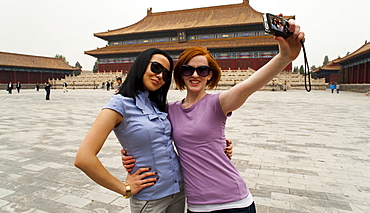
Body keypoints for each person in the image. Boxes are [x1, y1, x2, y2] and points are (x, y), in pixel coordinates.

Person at [123, 19, 304, 212]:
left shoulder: (218, 103)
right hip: (197, 206)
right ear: (181, 74)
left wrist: (284, 58)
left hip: (234, 203)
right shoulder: (170, 110)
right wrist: (132, 154)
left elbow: (248, 87)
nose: (195, 75)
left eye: (202, 70)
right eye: (188, 69)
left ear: (210, 75)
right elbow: (149, 134)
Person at [75, 48, 184, 212]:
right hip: (151, 198)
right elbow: (83, 158)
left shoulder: (156, 104)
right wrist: (123, 188)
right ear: (141, 66)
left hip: (178, 191)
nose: (160, 76)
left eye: (166, 74)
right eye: (155, 68)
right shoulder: (119, 104)